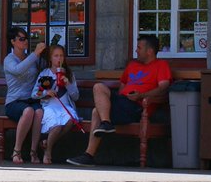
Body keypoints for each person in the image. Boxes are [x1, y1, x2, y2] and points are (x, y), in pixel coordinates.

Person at [69, 34, 172, 167]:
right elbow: (122, 88)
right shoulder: (132, 65)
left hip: (137, 106)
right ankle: (106, 123)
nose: (136, 51)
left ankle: (89, 154)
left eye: (139, 48)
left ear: (150, 51)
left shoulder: (161, 65)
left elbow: (164, 88)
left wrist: (141, 95)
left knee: (96, 112)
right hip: (123, 102)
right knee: (99, 87)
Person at [3, 26, 45, 164]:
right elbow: (18, 70)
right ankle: (17, 150)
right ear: (13, 42)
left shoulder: (31, 58)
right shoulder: (9, 60)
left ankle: (33, 151)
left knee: (38, 112)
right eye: (21, 39)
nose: (25, 41)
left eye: (26, 38)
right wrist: (35, 54)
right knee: (28, 112)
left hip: (31, 99)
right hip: (14, 101)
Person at [35, 44, 81, 164]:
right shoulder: (45, 74)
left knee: (70, 120)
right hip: (50, 106)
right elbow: (35, 93)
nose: (59, 59)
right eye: (56, 56)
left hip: (65, 106)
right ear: (50, 58)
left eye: (61, 56)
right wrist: (46, 92)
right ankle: (48, 152)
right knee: (57, 126)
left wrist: (68, 84)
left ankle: (47, 142)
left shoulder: (69, 74)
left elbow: (75, 96)